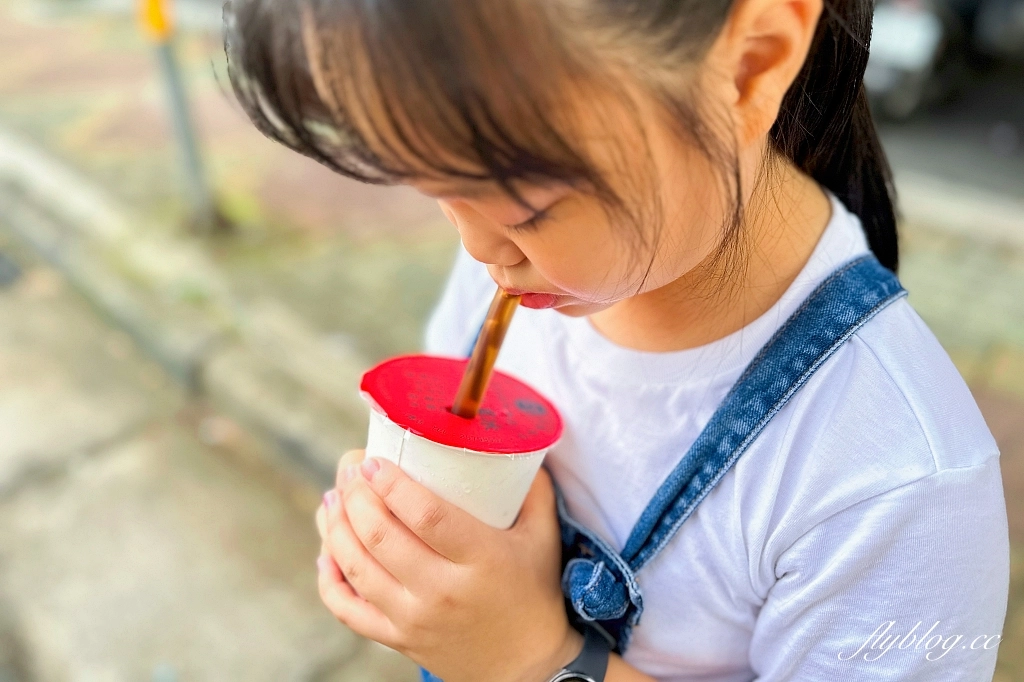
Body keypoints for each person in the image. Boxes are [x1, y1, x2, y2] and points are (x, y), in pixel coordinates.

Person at [224, 0, 1010, 680]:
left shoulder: (897, 486)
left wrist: (532, 660)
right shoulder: (518, 266)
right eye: (434, 189)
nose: (479, 252)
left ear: (750, 65)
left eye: (526, 208)